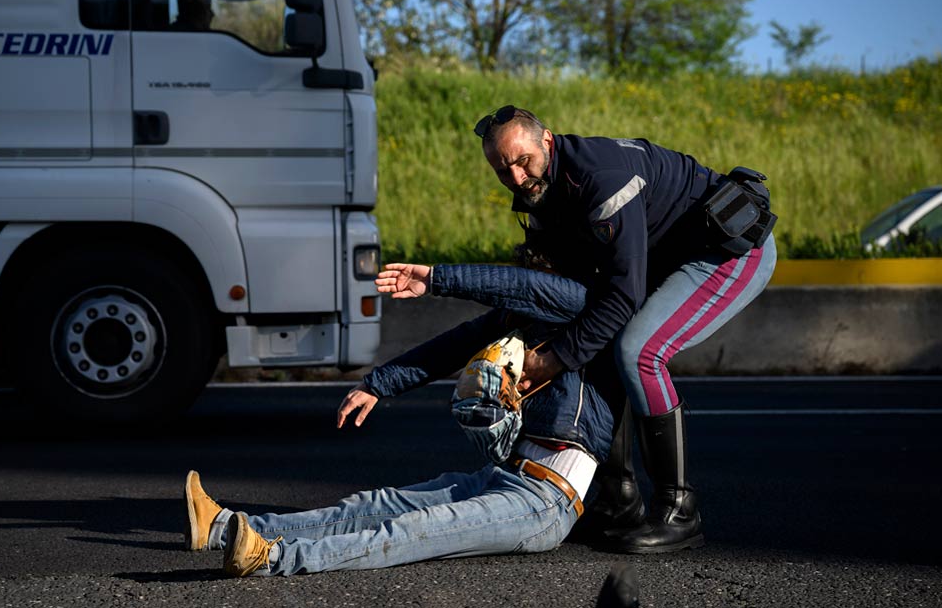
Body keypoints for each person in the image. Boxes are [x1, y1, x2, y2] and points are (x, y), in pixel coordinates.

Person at [184, 261, 628, 577]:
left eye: (541, 263)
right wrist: (378, 384)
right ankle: (220, 528)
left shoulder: (583, 306)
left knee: (407, 531)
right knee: (373, 506)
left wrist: (434, 278)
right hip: (505, 476)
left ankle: (271, 559)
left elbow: (516, 284)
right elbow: (449, 347)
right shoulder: (521, 319)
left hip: (546, 502)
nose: (534, 267)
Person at [472, 105, 778, 553]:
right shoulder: (540, 191)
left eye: (523, 162)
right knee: (591, 341)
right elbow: (563, 294)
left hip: (729, 254)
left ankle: (679, 510)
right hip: (670, 258)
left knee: (638, 352)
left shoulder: (603, 178)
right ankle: (618, 500)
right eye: (502, 170)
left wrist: (553, 360)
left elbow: (623, 294)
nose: (516, 178)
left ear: (548, 143)